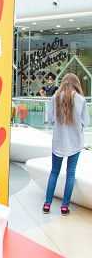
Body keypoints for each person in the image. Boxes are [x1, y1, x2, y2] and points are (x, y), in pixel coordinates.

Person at [42, 73, 89, 216]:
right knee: (71, 173)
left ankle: (47, 205)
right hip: (75, 142)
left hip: (58, 141)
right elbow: (86, 122)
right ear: (76, 83)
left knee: (54, 172)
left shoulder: (55, 98)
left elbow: (50, 120)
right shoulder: (81, 100)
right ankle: (64, 207)